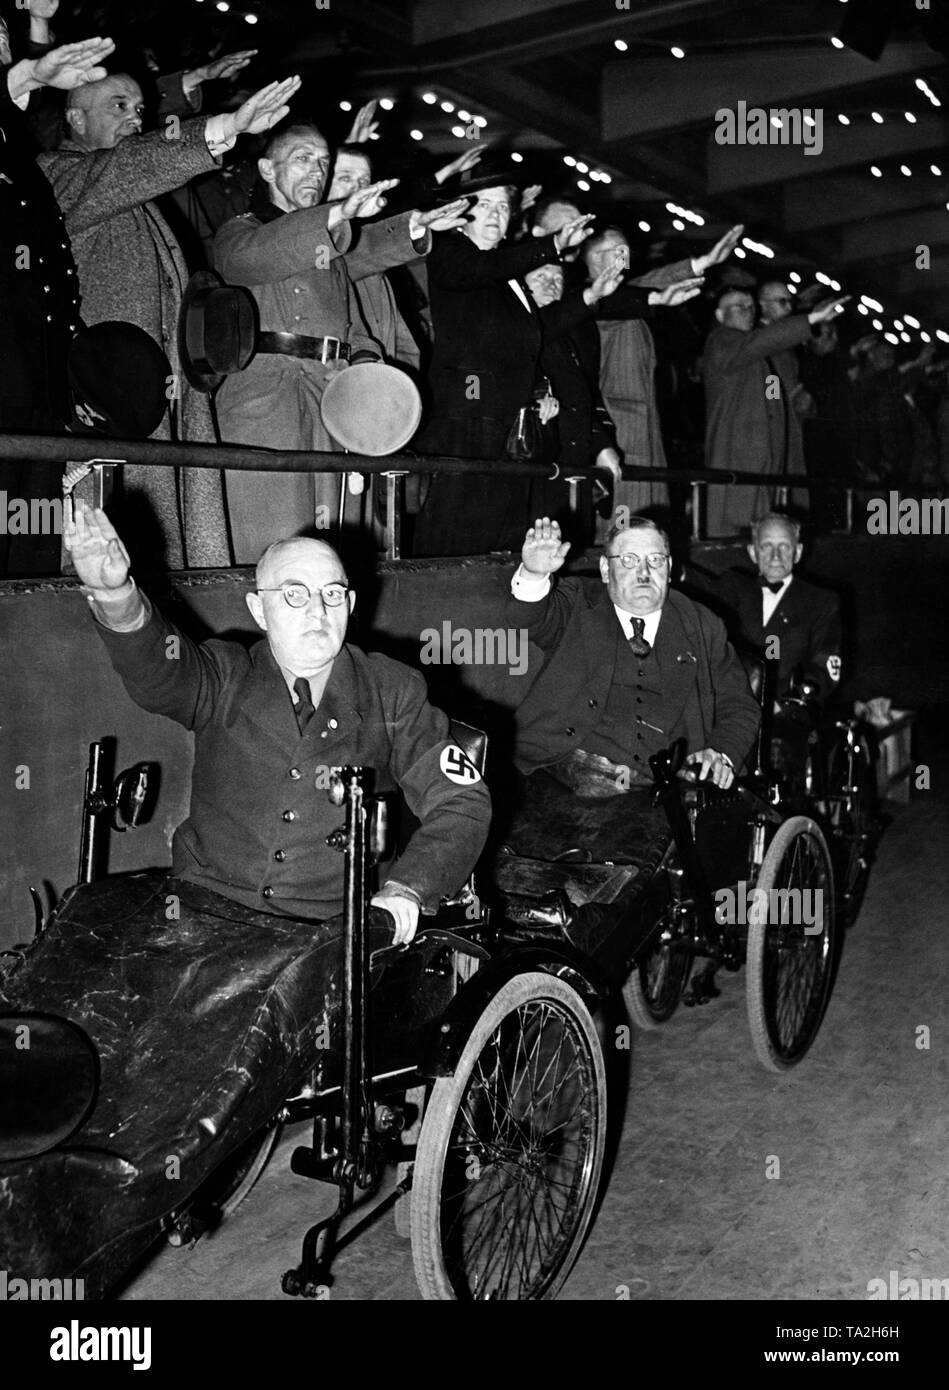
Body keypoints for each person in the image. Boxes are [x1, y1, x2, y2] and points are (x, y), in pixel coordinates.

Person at [63, 500, 492, 946]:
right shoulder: (224, 675)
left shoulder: (394, 690)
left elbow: (461, 801)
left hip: (327, 935)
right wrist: (116, 597)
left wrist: (407, 888)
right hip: (203, 914)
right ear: (258, 610)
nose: (317, 611)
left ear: (351, 604)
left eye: (332, 594)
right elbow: (160, 670)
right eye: (294, 593)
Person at [39, 69, 299, 569]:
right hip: (107, 412)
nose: (135, 119)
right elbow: (128, 167)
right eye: (118, 106)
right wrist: (222, 128)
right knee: (110, 561)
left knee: (165, 557)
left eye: (140, 110)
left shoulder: (138, 198)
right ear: (75, 118)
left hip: (163, 407)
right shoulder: (58, 174)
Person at [213, 120, 466, 561]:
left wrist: (414, 227)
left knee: (324, 543)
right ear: (267, 170)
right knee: (268, 543)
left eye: (323, 162)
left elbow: (356, 307)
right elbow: (257, 258)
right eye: (302, 159)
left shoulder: (330, 254)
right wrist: (337, 215)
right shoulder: (239, 232)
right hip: (266, 407)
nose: (316, 170)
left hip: (327, 401)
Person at [501, 515, 761, 875]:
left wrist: (721, 753)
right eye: (628, 561)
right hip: (560, 771)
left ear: (669, 568)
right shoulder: (579, 602)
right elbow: (531, 616)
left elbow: (739, 706)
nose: (643, 572)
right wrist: (533, 574)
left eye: (654, 560)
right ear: (606, 571)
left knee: (626, 879)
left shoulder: (702, 624)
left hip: (657, 789)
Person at [410, 177, 597, 556]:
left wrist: (592, 296)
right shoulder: (451, 252)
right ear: (462, 211)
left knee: (500, 525)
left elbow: (536, 331)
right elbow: (481, 271)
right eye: (485, 204)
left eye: (503, 207)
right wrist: (554, 245)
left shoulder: (507, 276)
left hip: (505, 418)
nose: (495, 214)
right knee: (458, 527)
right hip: (469, 405)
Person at [0, 29, 114, 576]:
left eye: (4, 38)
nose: (5, 50)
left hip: (33, 392)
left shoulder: (16, 150)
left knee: (29, 558)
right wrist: (25, 76)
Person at [702, 287, 847, 537]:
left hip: (764, 457)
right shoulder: (722, 340)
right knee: (738, 531)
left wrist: (794, 401)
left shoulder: (758, 357)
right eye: (740, 306)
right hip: (740, 458)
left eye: (750, 307)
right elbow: (762, 343)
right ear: (719, 314)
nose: (748, 312)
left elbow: (773, 395)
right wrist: (810, 319)